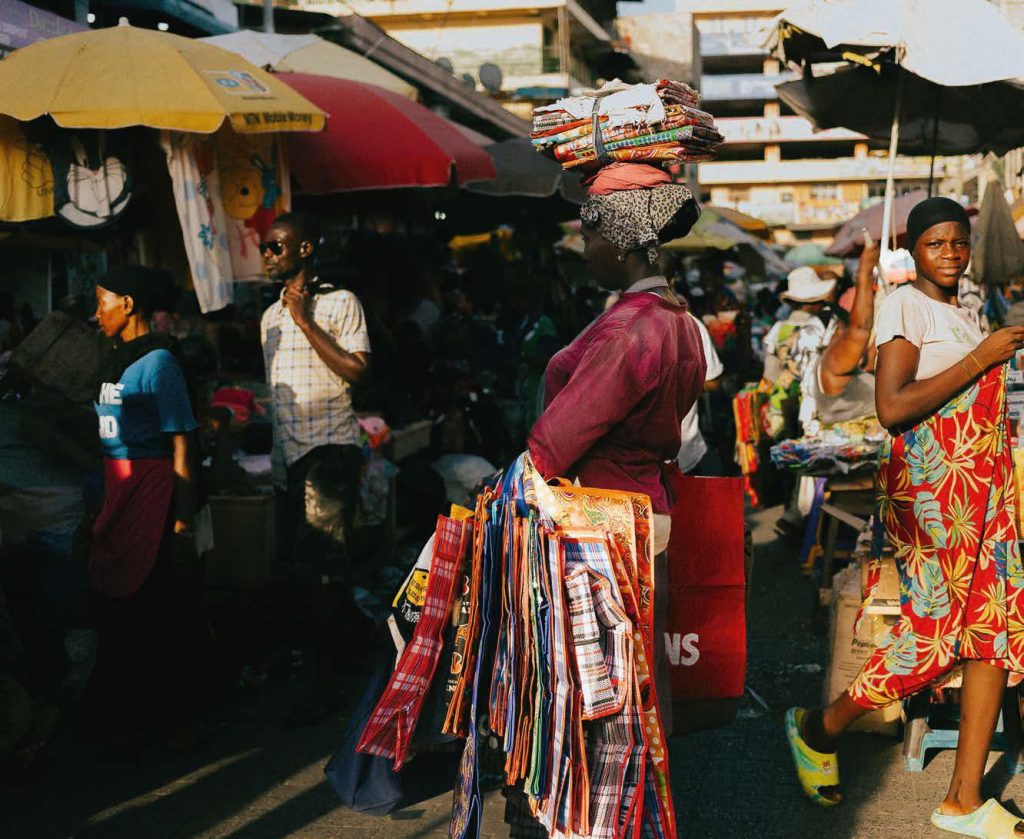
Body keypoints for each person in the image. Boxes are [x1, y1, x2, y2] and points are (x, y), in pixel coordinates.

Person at [786, 197, 1024, 837]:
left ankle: (962, 800)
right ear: (914, 250)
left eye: (959, 242)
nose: (950, 253)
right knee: (934, 636)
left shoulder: (963, 312)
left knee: (993, 637)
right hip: (935, 500)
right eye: (935, 243)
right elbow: (892, 407)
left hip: (983, 497)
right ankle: (820, 725)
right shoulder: (903, 306)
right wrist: (985, 359)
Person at [527, 161, 705, 738]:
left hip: (601, 518)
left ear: (623, 241)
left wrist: (515, 483)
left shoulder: (628, 328)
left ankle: (611, 814)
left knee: (602, 678)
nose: (585, 251)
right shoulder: (678, 320)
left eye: (590, 236)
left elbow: (556, 441)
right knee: (642, 669)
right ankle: (649, 806)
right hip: (647, 509)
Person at [79, 265, 209, 750]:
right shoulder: (114, 359)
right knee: (117, 609)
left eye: (102, 302)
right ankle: (126, 719)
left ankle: (166, 721)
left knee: (152, 612)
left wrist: (182, 519)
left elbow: (182, 444)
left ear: (128, 304)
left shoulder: (159, 363)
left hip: (152, 495)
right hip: (117, 493)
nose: (97, 313)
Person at [259, 211, 371, 724]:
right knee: (305, 570)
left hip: (330, 450)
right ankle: (343, 661)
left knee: (323, 569)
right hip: (292, 457)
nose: (267, 256)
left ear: (304, 250)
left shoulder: (339, 303)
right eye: (265, 247)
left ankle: (326, 684)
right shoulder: (268, 319)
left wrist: (306, 319)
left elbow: (357, 371)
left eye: (276, 247)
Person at [810, 233, 881, 427]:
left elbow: (869, 363)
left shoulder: (846, 365)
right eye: (843, 328)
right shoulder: (832, 362)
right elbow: (860, 329)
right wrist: (865, 271)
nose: (846, 334)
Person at [762, 266, 837, 441]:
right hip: (817, 405)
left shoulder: (778, 329)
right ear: (813, 302)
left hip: (782, 401)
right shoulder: (824, 328)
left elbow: (770, 374)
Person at [677, 313, 725, 475]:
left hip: (624, 459)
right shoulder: (689, 324)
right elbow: (712, 381)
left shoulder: (607, 322)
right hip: (681, 451)